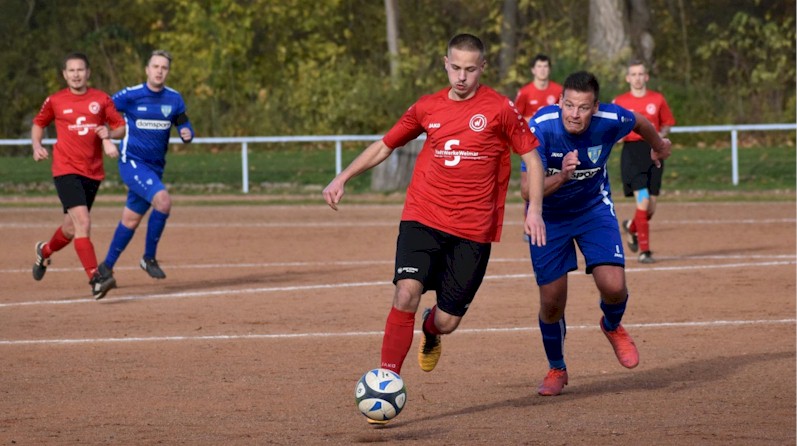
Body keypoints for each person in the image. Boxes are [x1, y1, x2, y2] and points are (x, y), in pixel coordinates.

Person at [322, 33, 546, 424]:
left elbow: (532, 157)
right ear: (445, 64)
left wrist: (535, 210)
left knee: (447, 321)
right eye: (456, 67)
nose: (462, 76)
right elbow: (385, 144)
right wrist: (343, 176)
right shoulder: (427, 107)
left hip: (473, 229)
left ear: (483, 68)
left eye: (470, 69)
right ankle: (386, 380)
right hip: (422, 216)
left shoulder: (500, 109)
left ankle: (432, 328)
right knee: (405, 292)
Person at [526, 71, 671, 396]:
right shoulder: (541, 125)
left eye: (583, 107)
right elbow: (525, 189)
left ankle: (611, 324)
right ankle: (557, 368)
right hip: (549, 215)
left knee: (614, 287)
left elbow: (641, 123)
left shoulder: (611, 117)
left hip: (593, 209)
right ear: (560, 101)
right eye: (569, 105)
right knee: (552, 302)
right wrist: (562, 177)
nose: (574, 114)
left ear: (596, 107)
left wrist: (658, 146)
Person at [31, 52, 126, 300]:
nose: (76, 74)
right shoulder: (55, 100)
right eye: (71, 70)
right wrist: (36, 145)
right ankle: (96, 278)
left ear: (88, 73)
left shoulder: (101, 99)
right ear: (64, 74)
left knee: (71, 228)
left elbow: (120, 128)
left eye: (80, 70)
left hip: (92, 172)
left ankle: (45, 250)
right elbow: (39, 123)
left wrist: (108, 134)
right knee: (83, 222)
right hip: (65, 169)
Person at [99, 50, 194, 281]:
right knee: (163, 201)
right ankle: (148, 258)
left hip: (155, 167)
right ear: (147, 70)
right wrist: (107, 138)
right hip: (132, 162)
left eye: (164, 67)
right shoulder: (131, 95)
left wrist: (187, 133)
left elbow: (184, 123)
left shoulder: (174, 98)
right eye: (156, 66)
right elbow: (102, 109)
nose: (159, 71)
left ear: (168, 72)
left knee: (131, 219)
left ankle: (105, 268)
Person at [613, 60, 675, 263]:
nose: (637, 78)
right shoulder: (619, 102)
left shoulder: (657, 99)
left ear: (646, 76)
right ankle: (644, 252)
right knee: (644, 199)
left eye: (641, 74)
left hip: (654, 151)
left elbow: (667, 124)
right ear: (627, 78)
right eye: (634, 74)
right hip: (632, 153)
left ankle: (631, 227)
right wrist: (616, 136)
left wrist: (660, 135)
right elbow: (610, 127)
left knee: (650, 208)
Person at [515, 54, 563, 240]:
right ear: (533, 70)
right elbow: (516, 118)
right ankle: (529, 223)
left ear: (549, 69)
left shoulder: (559, 90)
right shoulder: (526, 92)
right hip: (531, 144)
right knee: (531, 182)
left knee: (554, 181)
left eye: (545, 66)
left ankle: (552, 220)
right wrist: (535, 121)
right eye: (539, 66)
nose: (542, 70)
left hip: (556, 144)